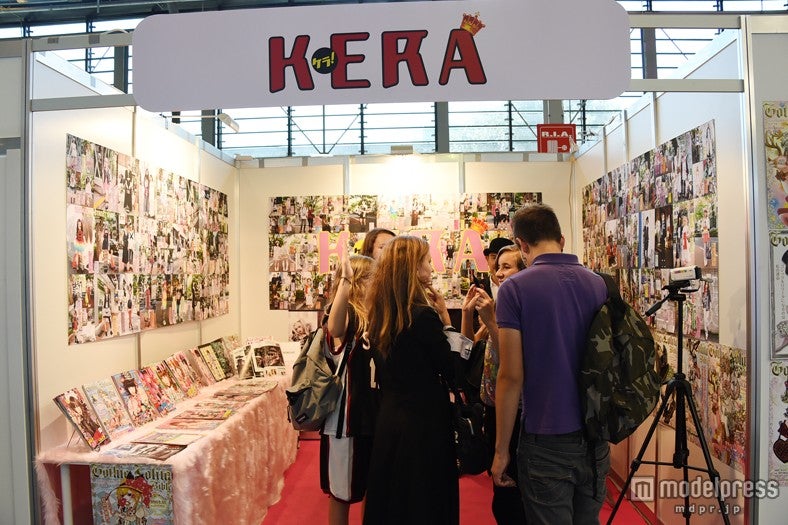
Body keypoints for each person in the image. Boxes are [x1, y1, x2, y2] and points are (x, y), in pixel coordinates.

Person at [491, 203, 609, 525]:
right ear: (562, 239)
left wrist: (501, 451)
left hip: (545, 436)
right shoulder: (597, 283)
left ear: (522, 245)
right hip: (594, 435)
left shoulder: (514, 289)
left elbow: (511, 376)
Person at [364, 236, 459, 525]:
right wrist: (447, 322)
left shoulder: (380, 313)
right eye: (427, 261)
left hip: (390, 418)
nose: (431, 267)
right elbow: (452, 370)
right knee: (424, 501)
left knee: (394, 500)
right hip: (425, 423)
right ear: (414, 268)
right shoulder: (422, 316)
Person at [462, 244, 526, 524]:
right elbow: (468, 348)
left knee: (510, 494)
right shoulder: (499, 304)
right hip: (492, 407)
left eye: (507, 267)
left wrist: (490, 322)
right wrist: (467, 314)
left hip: (515, 409)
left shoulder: (522, 307)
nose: (498, 273)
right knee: (500, 491)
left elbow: (513, 361)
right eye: (497, 266)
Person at [321, 254, 378, 525]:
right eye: (372, 278)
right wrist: (345, 280)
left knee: (372, 489)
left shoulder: (376, 315)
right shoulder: (345, 313)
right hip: (346, 421)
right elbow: (335, 328)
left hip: (374, 416)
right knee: (341, 494)